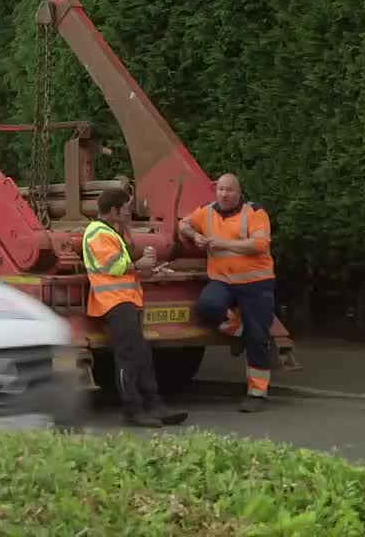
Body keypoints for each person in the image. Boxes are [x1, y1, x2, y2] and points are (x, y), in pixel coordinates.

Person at [83, 188, 187, 428]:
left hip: (126, 300)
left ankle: (154, 405)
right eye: (126, 208)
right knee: (128, 357)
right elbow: (113, 266)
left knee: (142, 355)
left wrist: (146, 267)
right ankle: (132, 410)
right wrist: (138, 264)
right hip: (114, 303)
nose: (130, 212)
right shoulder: (98, 232)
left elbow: (122, 265)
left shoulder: (110, 231)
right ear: (113, 211)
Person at [179, 173, 276, 412]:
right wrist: (196, 236)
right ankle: (240, 332)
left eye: (229, 190)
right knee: (208, 306)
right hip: (223, 280)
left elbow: (260, 244)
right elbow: (183, 223)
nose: (224, 194)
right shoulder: (207, 211)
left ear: (239, 192)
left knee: (259, 338)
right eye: (220, 190)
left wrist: (225, 244)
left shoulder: (255, 213)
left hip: (256, 283)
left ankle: (257, 394)